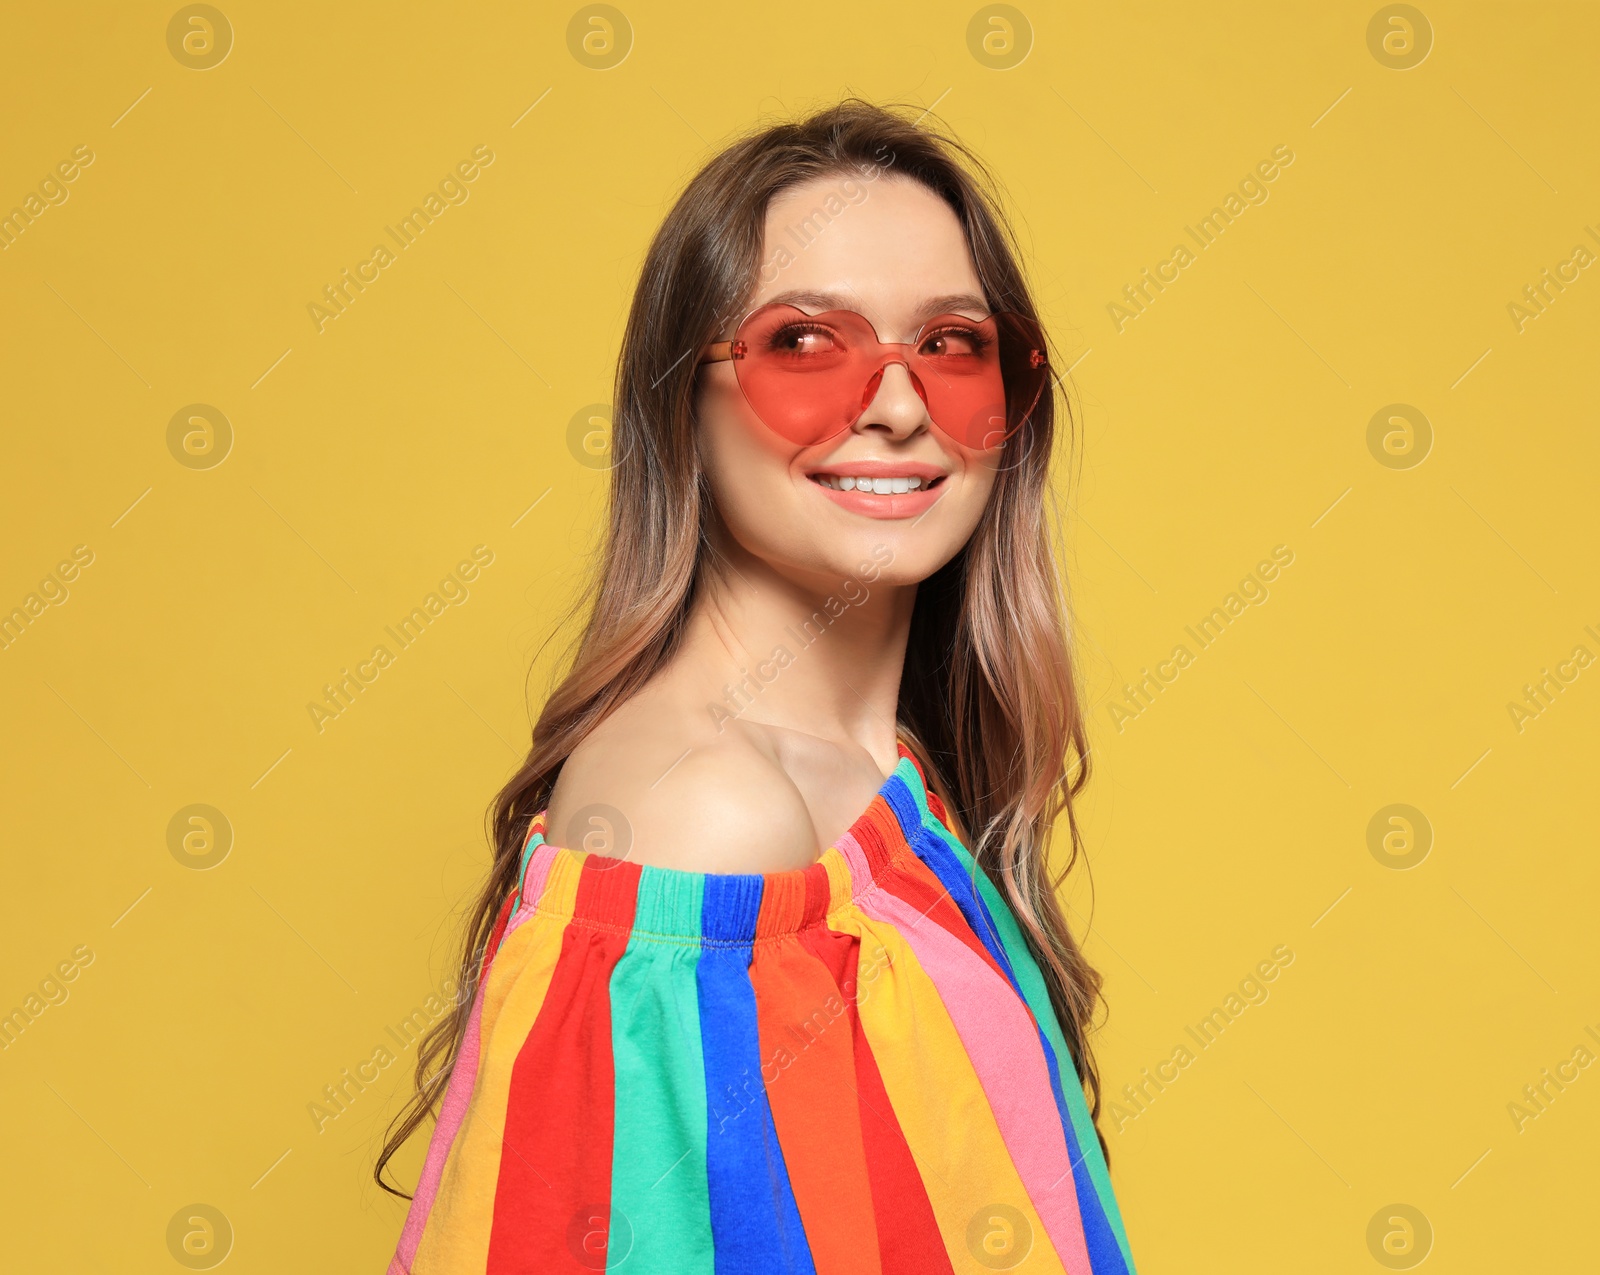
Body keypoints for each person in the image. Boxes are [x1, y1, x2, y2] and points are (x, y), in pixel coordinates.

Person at [380, 98, 1137, 1274]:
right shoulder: (709, 820)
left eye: (950, 345)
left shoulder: (887, 783)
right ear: (681, 400)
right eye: (803, 344)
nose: (895, 406)